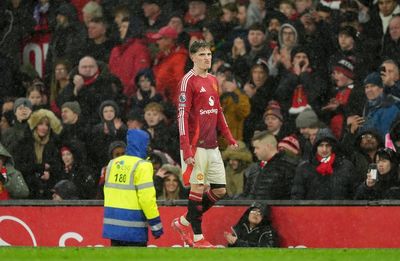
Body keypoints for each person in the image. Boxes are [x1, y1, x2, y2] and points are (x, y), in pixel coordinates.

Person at [172, 40, 238, 248]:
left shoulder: (212, 79)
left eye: (208, 54)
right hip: (195, 145)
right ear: (192, 57)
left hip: (212, 145)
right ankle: (199, 238)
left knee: (219, 190)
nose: (206, 58)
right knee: (198, 187)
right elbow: (181, 116)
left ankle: (183, 222)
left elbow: (217, 110)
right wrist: (186, 149)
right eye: (201, 55)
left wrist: (229, 136)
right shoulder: (188, 81)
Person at [103, 129, 163, 246]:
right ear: (143, 144)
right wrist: (156, 225)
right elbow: (147, 199)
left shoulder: (113, 163)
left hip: (113, 226)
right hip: (134, 226)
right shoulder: (142, 165)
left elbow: (108, 192)